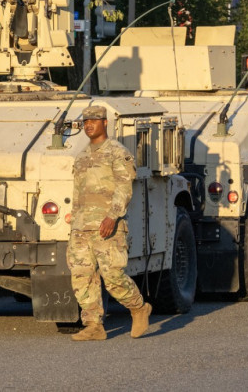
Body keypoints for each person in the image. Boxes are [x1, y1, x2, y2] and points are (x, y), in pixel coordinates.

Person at [67, 105, 151, 341]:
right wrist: (74, 223)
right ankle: (93, 325)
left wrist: (112, 216)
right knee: (82, 277)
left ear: (105, 122)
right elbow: (78, 193)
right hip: (81, 228)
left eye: (94, 120)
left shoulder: (117, 152)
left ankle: (138, 307)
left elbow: (125, 187)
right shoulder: (82, 155)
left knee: (113, 277)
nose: (89, 124)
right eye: (85, 121)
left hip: (107, 226)